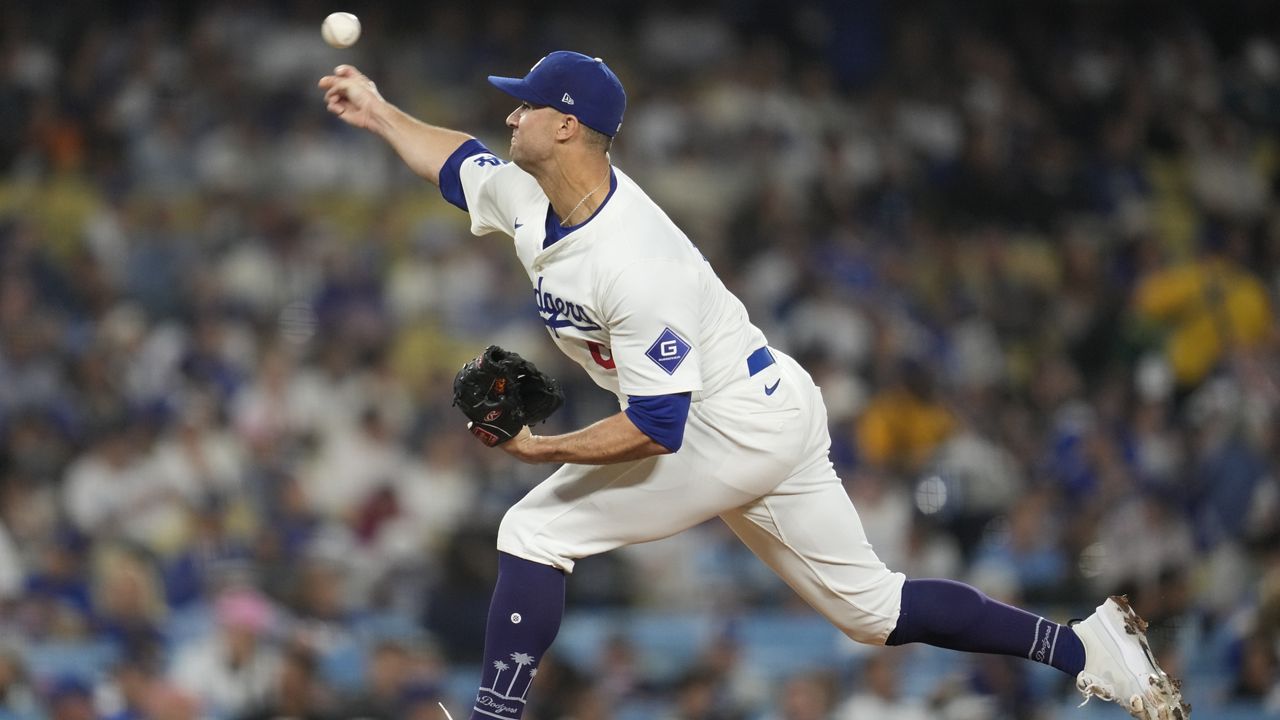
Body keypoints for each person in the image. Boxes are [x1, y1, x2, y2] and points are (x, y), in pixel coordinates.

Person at [318, 51, 1189, 720]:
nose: (511, 111)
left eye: (528, 102)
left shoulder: (634, 258)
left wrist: (541, 449)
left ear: (568, 128)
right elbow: (457, 162)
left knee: (534, 526)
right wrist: (382, 111)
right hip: (765, 405)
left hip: (726, 423)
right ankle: (1085, 648)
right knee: (871, 611)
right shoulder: (528, 192)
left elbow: (659, 427)